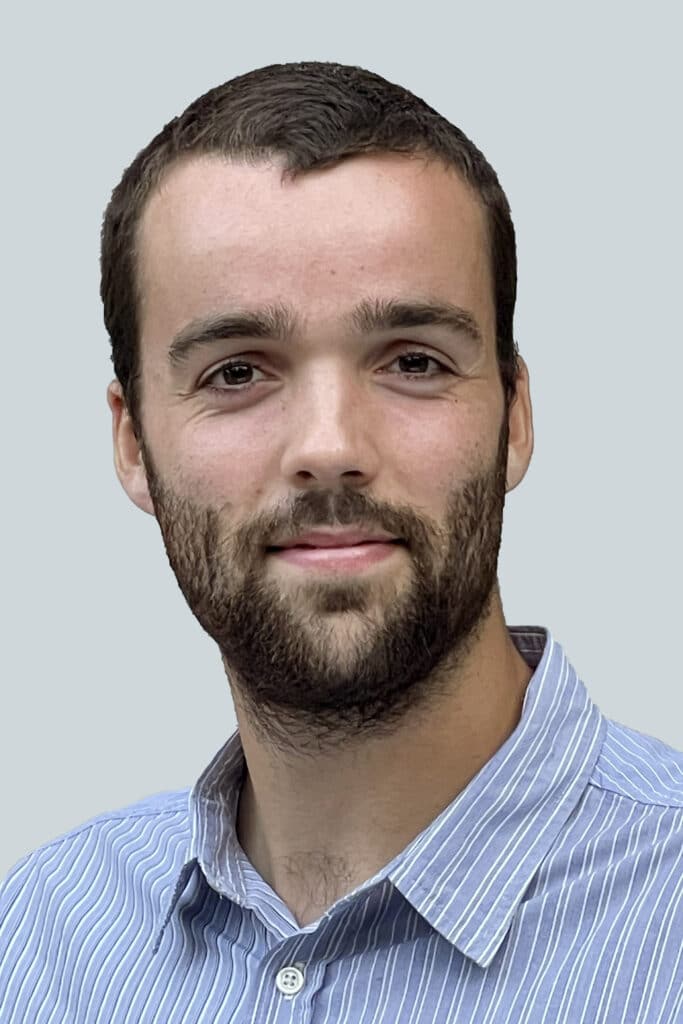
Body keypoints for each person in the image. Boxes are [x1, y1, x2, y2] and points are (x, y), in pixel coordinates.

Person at [1, 61, 681, 1024]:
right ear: (132, 444)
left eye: (412, 361)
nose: (328, 448)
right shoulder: (40, 942)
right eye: (237, 372)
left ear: (515, 415)